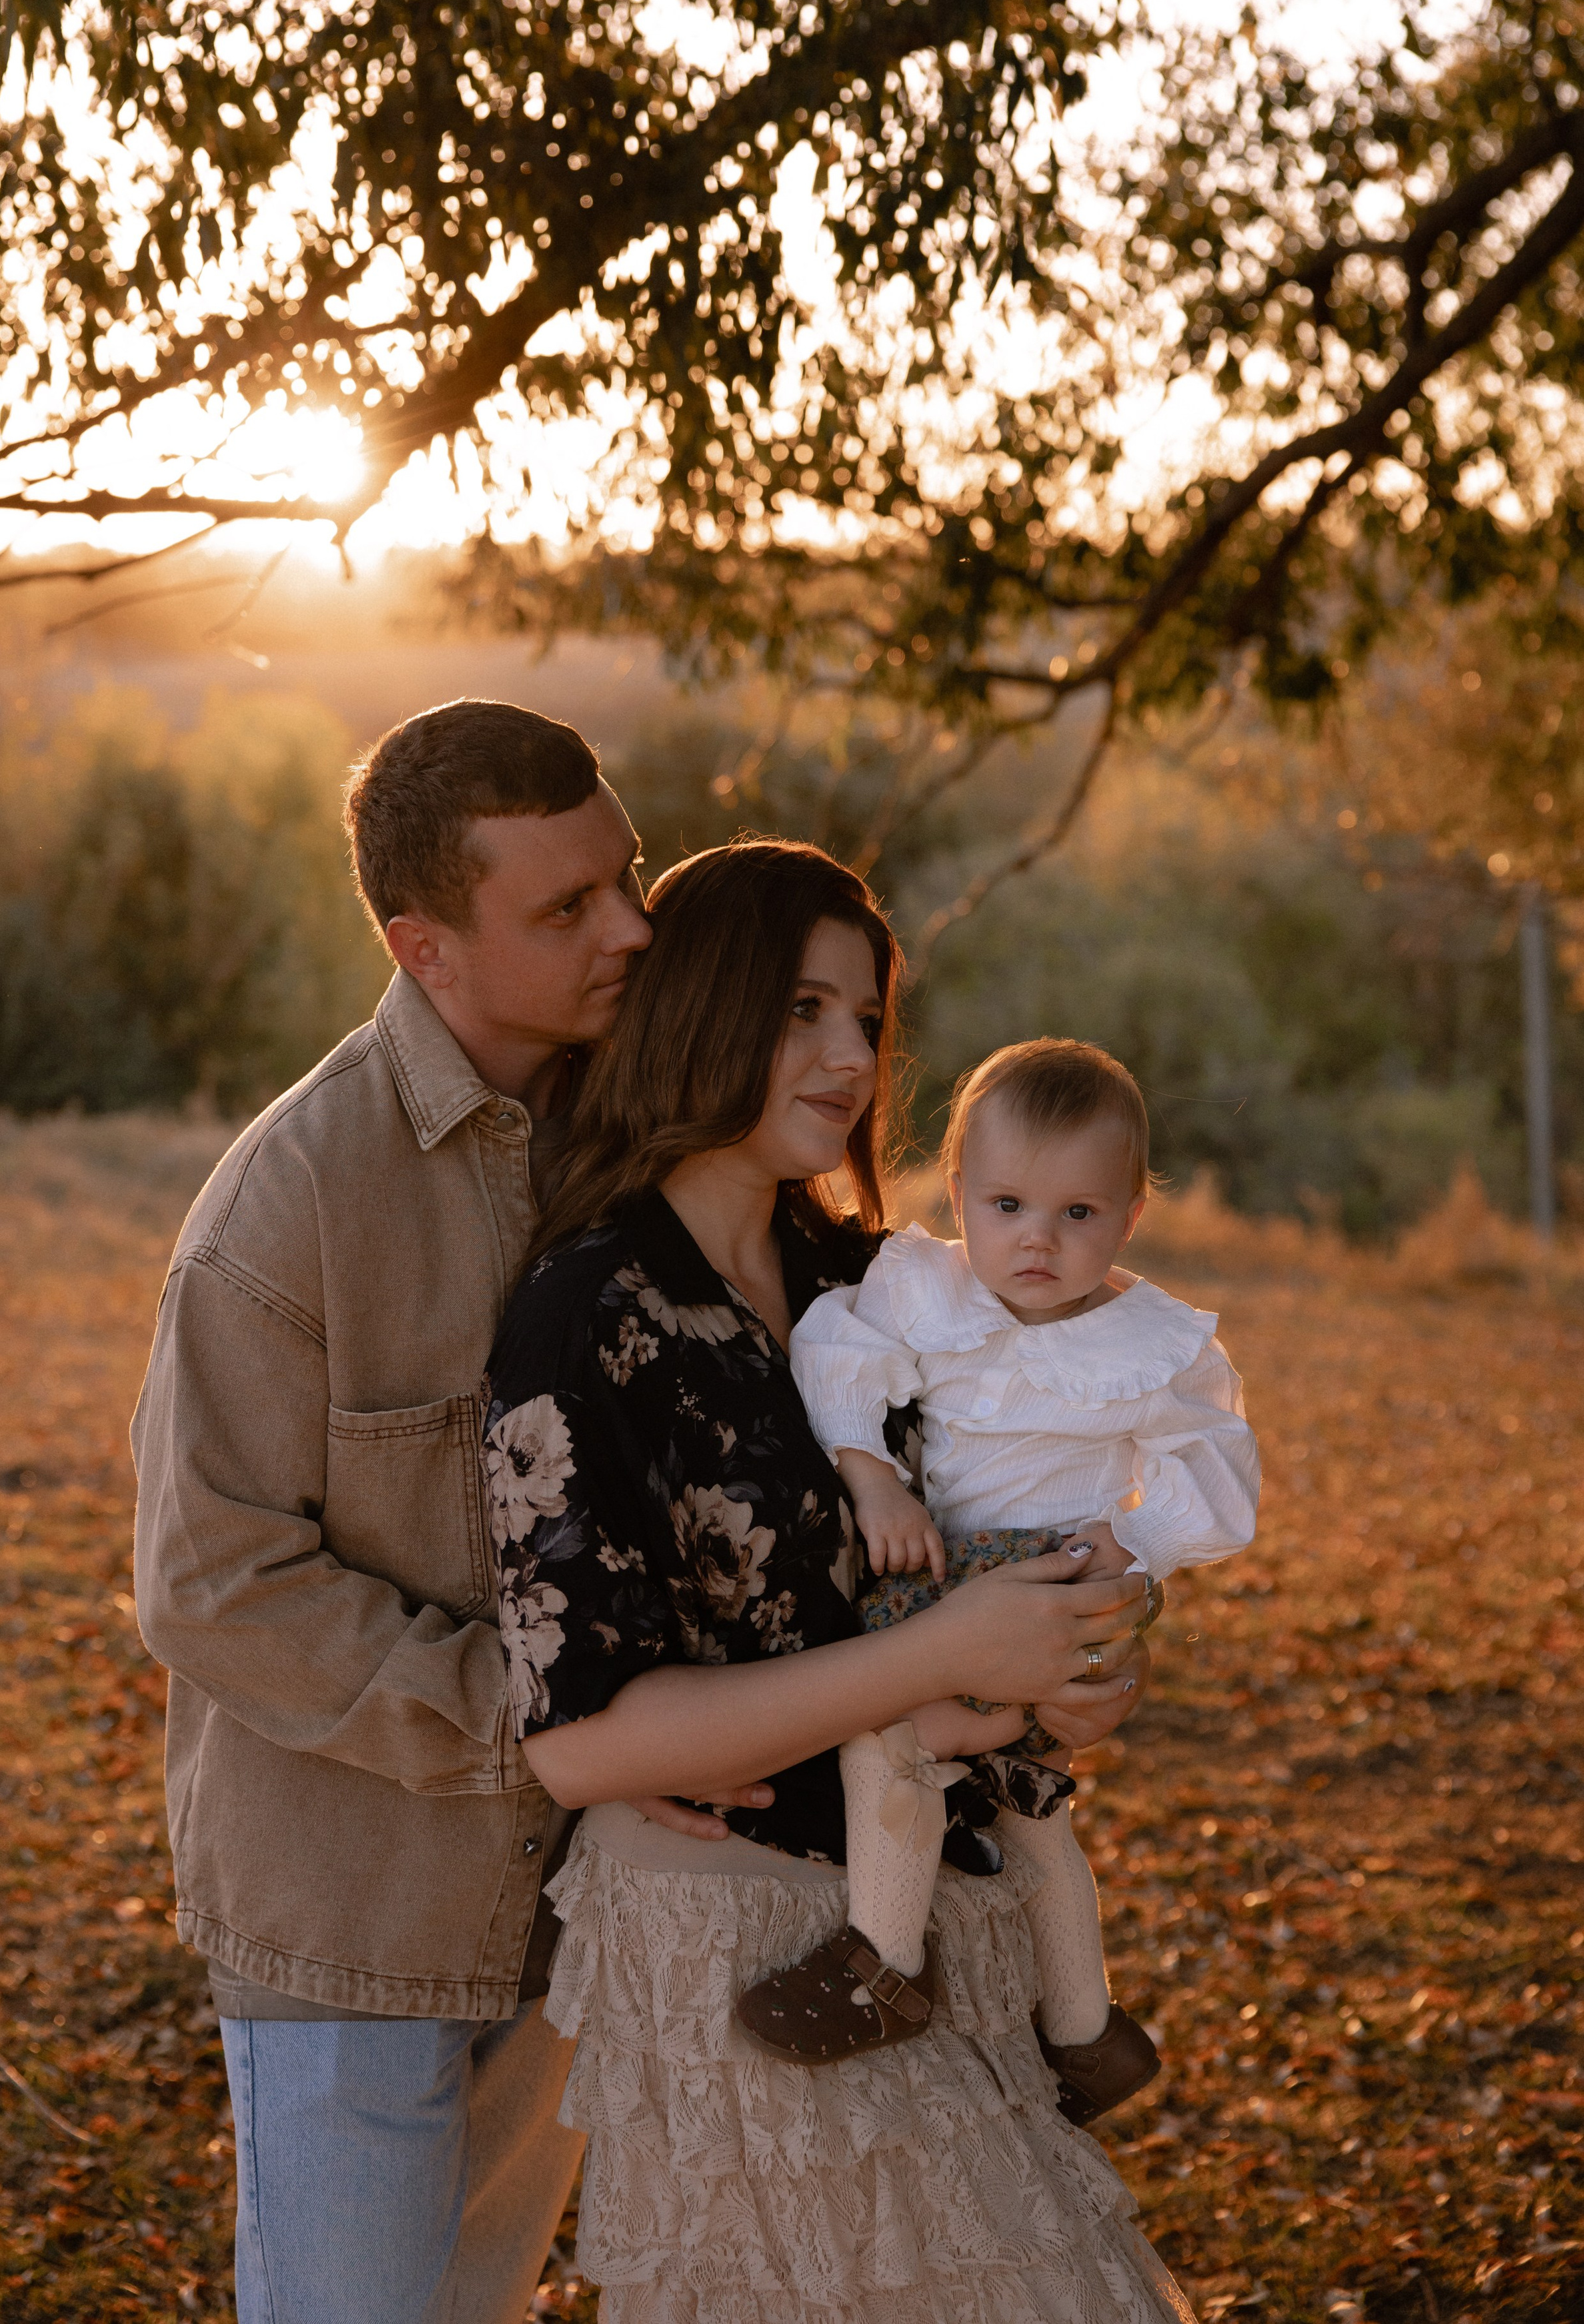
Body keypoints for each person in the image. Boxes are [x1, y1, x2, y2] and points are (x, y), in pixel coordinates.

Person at [483, 838, 1194, 2324]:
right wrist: (953, 1648)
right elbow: (581, 1733)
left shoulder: (878, 1286)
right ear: (698, 1004)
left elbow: (1033, 1507)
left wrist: (1078, 1662)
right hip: (736, 1948)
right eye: (802, 1007)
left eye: (866, 1018)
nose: (848, 1054)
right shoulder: (588, 1311)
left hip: (945, 1908)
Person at [133, 699, 752, 2324]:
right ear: (425, 945)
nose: (631, 927)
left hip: (576, 1902)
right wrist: (543, 1727)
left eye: (627, 874)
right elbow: (210, 1582)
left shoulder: (642, 1140)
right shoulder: (290, 1202)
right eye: (566, 908)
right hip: (351, 1917)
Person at [740, 1036, 1259, 2124]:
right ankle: (1087, 2030)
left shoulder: (1150, 1342)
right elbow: (837, 1353)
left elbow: (1214, 1459)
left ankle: (883, 1960)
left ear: (1130, 1215)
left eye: (1080, 1213)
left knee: (887, 1739)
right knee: (1034, 1812)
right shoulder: (930, 1290)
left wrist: (1135, 1546)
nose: (1038, 1238)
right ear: (961, 1189)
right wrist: (873, 1481)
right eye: (1010, 1202)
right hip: (947, 1577)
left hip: (1055, 1586)